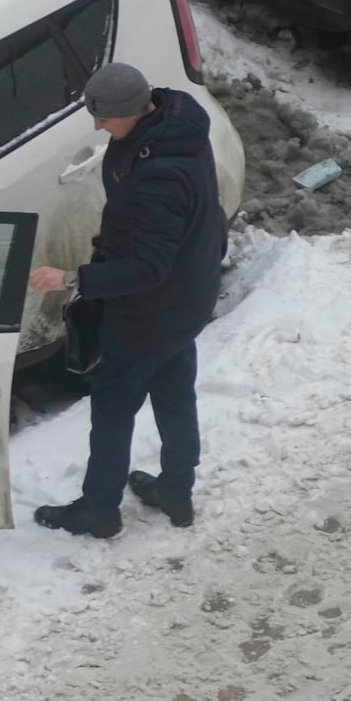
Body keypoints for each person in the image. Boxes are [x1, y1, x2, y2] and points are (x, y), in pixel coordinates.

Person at [26, 63, 226, 539]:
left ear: (133, 112)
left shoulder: (156, 179)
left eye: (103, 117)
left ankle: (99, 511)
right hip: (188, 297)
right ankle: (176, 492)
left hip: (148, 315)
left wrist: (73, 278)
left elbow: (146, 268)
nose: (97, 126)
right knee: (176, 399)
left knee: (112, 414)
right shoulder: (179, 122)